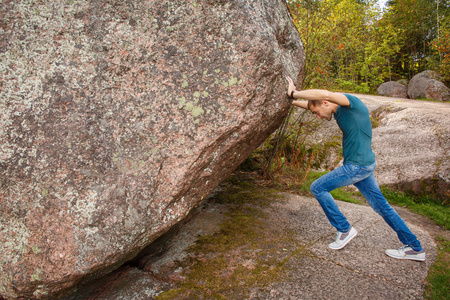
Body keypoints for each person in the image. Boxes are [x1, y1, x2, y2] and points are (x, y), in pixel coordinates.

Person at [286, 76, 425, 261]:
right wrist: (292, 101)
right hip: (363, 166)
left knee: (317, 187)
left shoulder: (351, 104)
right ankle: (415, 248)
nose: (318, 116)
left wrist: (293, 92)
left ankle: (344, 230)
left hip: (357, 167)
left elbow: (323, 94)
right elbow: (315, 102)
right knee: (383, 207)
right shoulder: (337, 111)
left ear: (326, 103)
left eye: (317, 112)